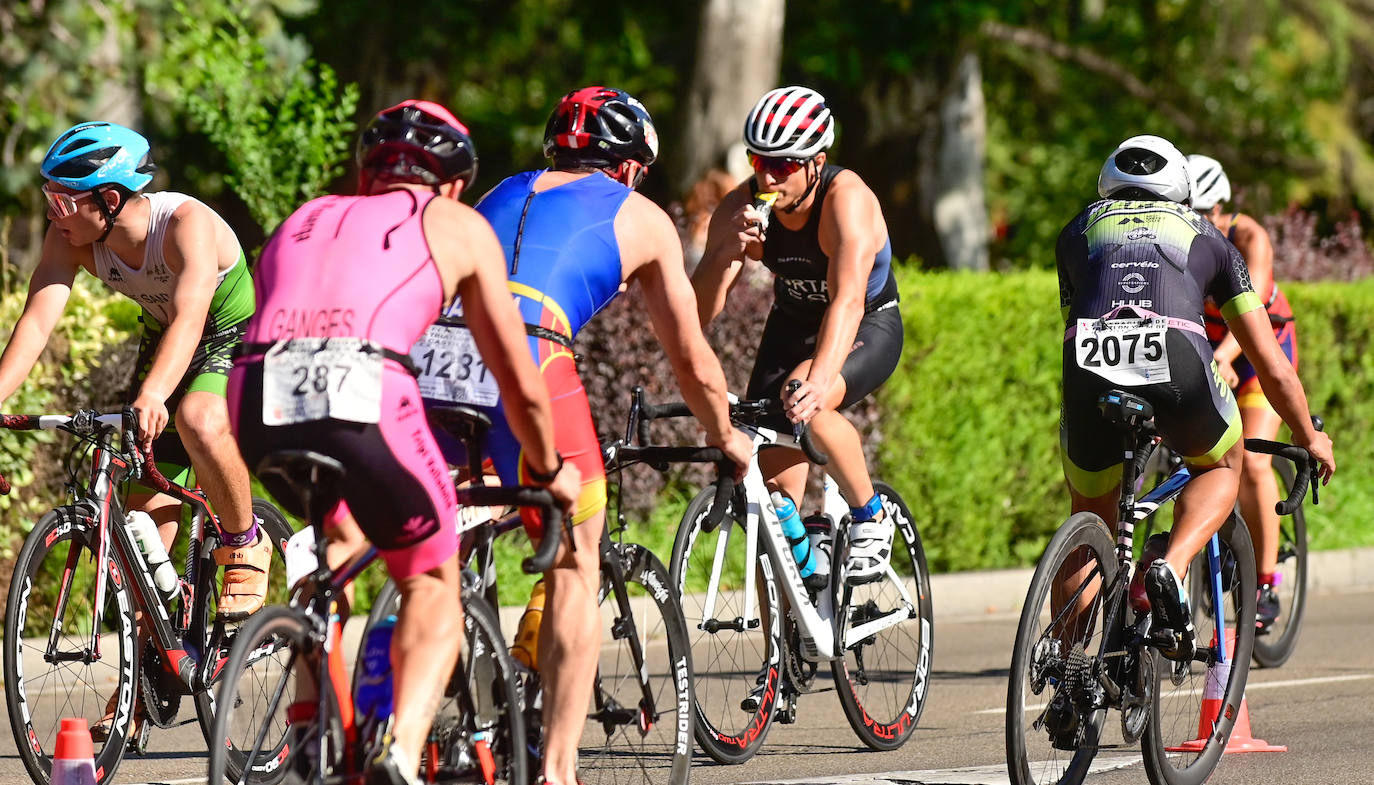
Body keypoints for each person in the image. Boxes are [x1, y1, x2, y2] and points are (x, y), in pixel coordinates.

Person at [228, 100, 580, 785]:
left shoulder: (303, 217)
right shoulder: (455, 222)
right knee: (430, 578)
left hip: (255, 394)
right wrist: (548, 466)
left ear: (367, 173)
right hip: (362, 386)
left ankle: (310, 723)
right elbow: (517, 378)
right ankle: (399, 747)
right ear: (452, 182)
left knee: (338, 546)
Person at [415, 85, 750, 785]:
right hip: (530, 352)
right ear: (630, 165)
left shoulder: (503, 190)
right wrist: (724, 433)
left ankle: (429, 714)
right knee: (577, 551)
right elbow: (690, 357)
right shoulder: (643, 216)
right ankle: (559, 768)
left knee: (441, 538)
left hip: (430, 358)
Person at [0, 121, 268, 734]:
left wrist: (153, 394)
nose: (53, 211)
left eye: (64, 198)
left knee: (198, 417)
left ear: (110, 199)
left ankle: (244, 541)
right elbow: (37, 322)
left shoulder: (184, 226)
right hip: (165, 338)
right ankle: (145, 692)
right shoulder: (71, 238)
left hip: (227, 329)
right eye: (48, 196)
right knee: (144, 535)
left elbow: (193, 315)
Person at [1056, 135, 1334, 671]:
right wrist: (1308, 435)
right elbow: (1273, 362)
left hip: (1087, 362)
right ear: (1182, 193)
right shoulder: (1207, 236)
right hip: (1181, 356)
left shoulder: (1075, 231)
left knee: (1090, 511)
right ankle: (1172, 564)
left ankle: (1066, 670)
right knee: (1225, 463)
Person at [692, 85, 902, 585]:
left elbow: (847, 301)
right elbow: (695, 312)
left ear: (816, 162)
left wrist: (818, 381)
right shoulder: (741, 204)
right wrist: (725, 254)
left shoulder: (846, 200)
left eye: (783, 166)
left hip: (867, 322)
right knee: (774, 515)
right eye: (758, 161)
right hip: (791, 325)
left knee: (804, 397)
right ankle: (790, 640)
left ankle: (870, 516)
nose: (767, 176)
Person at [1187, 153, 1299, 630]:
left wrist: (1225, 358)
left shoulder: (1250, 238)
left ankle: (1267, 581)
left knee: (1253, 458)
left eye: (1207, 214)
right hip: (1211, 346)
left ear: (1222, 207)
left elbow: (1250, 309)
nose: (1201, 224)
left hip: (1257, 350)